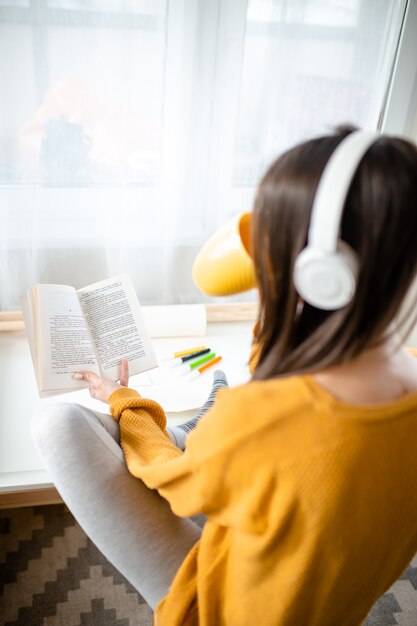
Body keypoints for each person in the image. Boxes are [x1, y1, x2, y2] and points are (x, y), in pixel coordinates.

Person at [32, 126, 417, 626]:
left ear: (320, 273)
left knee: (58, 426)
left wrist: (124, 398)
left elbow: (169, 480)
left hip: (222, 609)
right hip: (324, 599)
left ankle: (187, 434)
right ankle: (196, 435)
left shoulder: (267, 416)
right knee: (224, 403)